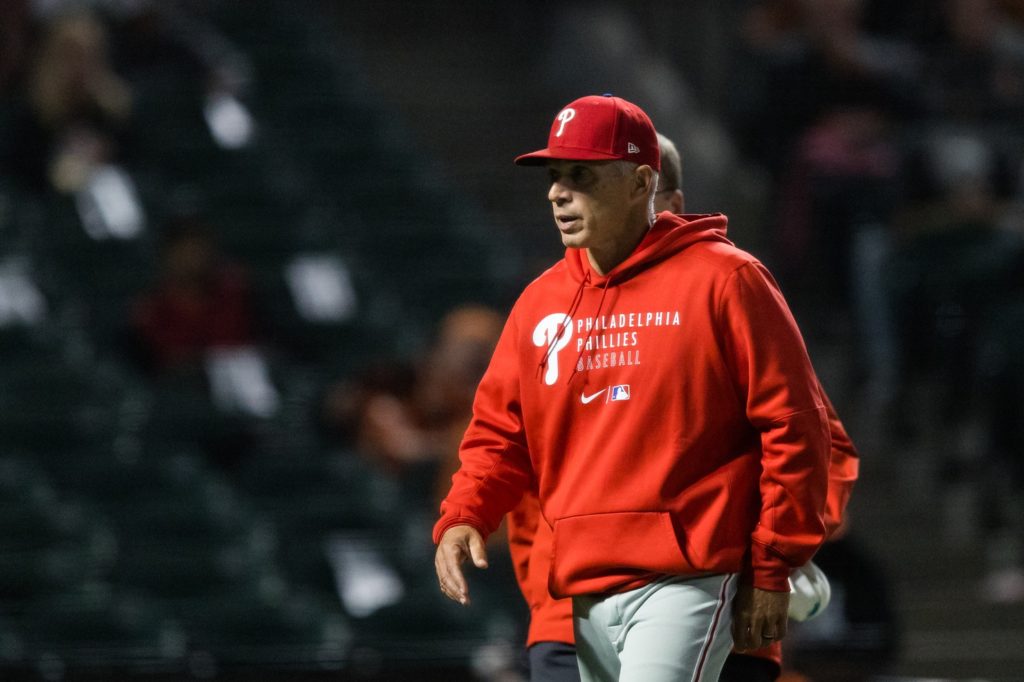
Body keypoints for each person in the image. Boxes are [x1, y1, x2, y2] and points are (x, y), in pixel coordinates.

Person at [434, 94, 832, 682]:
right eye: (554, 176)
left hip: (689, 571)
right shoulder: (540, 301)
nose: (557, 193)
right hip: (584, 581)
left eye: (581, 176)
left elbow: (794, 428)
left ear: (642, 182)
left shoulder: (726, 279)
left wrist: (774, 564)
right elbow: (499, 432)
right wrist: (465, 512)